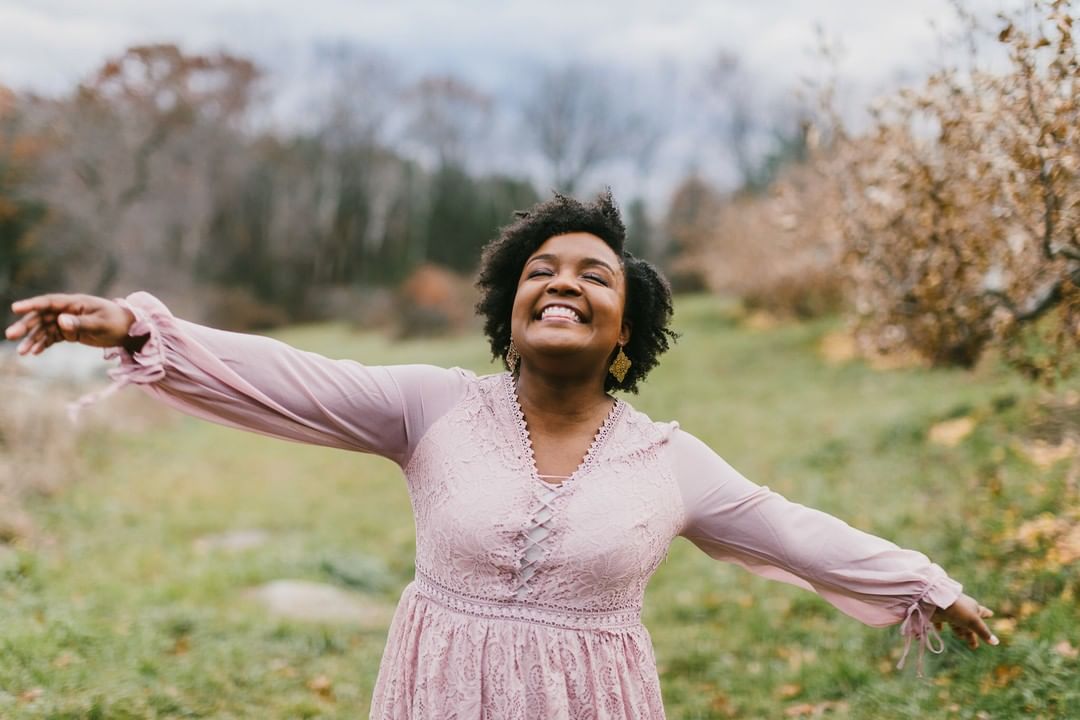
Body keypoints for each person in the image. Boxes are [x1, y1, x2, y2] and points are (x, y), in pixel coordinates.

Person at [5, 192, 996, 719]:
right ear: (509, 314)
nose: (563, 282)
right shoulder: (430, 407)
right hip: (437, 696)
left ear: (625, 330)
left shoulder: (669, 459)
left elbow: (791, 530)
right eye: (542, 271)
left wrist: (924, 583)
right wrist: (135, 326)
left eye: (594, 276)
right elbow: (288, 375)